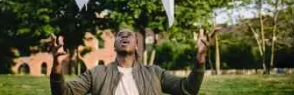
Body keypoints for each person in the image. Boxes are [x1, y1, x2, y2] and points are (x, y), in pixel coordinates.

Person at [48, 28, 212, 95]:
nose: (125, 36)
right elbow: (63, 93)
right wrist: (56, 64)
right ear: (114, 45)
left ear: (136, 46)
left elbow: (188, 89)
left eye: (129, 35)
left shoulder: (154, 73)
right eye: (120, 35)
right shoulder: (96, 73)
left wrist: (200, 58)